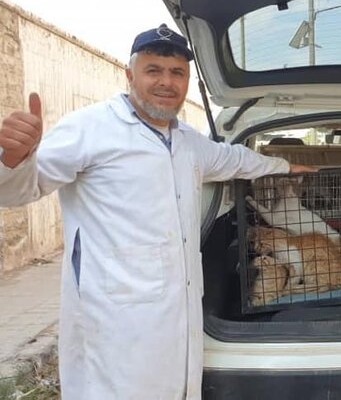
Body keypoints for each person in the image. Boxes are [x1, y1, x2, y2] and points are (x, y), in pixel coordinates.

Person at [0, 24, 314, 399]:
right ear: (129, 74)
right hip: (113, 323)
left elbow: (235, 159)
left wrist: (283, 166)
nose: (166, 82)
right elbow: (21, 189)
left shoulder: (187, 141)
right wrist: (14, 161)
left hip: (178, 316)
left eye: (177, 72)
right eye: (154, 70)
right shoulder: (89, 129)